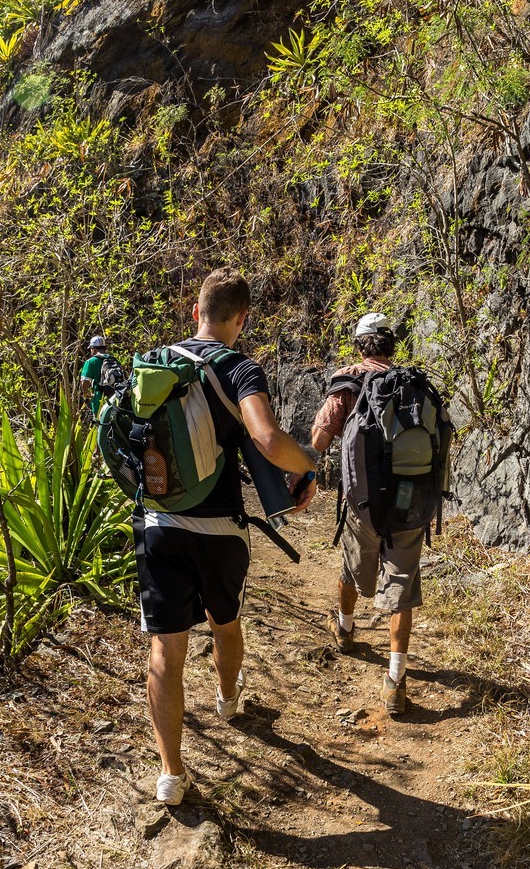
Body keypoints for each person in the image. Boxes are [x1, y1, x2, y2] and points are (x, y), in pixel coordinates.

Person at [137, 269, 317, 805]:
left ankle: (171, 774)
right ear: (241, 320)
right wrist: (307, 465)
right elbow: (265, 437)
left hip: (158, 525)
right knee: (225, 622)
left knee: (165, 648)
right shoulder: (239, 365)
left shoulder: (155, 362)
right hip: (219, 531)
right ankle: (228, 698)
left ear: (196, 312)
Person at [310, 312, 428, 717]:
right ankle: (395, 683)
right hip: (411, 502)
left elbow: (319, 437)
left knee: (351, 565)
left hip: (363, 505)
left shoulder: (350, 381)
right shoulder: (414, 383)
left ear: (360, 345)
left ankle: (344, 629)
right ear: (391, 345)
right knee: (403, 588)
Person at [80, 334, 115, 418]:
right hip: (115, 397)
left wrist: (86, 394)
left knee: (100, 422)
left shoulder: (91, 362)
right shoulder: (113, 359)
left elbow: (85, 382)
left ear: (93, 348)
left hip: (100, 398)